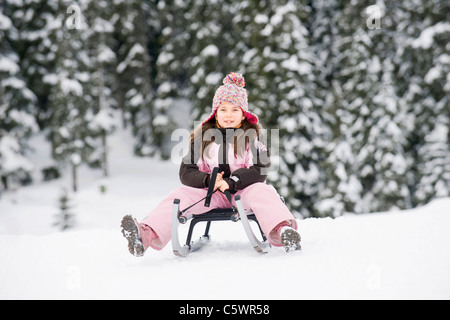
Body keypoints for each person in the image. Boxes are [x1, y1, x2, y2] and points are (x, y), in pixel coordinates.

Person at [121, 72, 301, 256]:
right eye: (223, 110)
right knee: (179, 196)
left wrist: (232, 182)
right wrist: (208, 180)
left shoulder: (252, 140)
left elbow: (259, 169)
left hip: (243, 192)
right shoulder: (202, 141)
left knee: (263, 192)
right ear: (215, 114)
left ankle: (283, 230)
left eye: (234, 110)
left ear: (243, 114)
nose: (228, 115)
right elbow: (186, 171)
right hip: (210, 194)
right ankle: (145, 235)